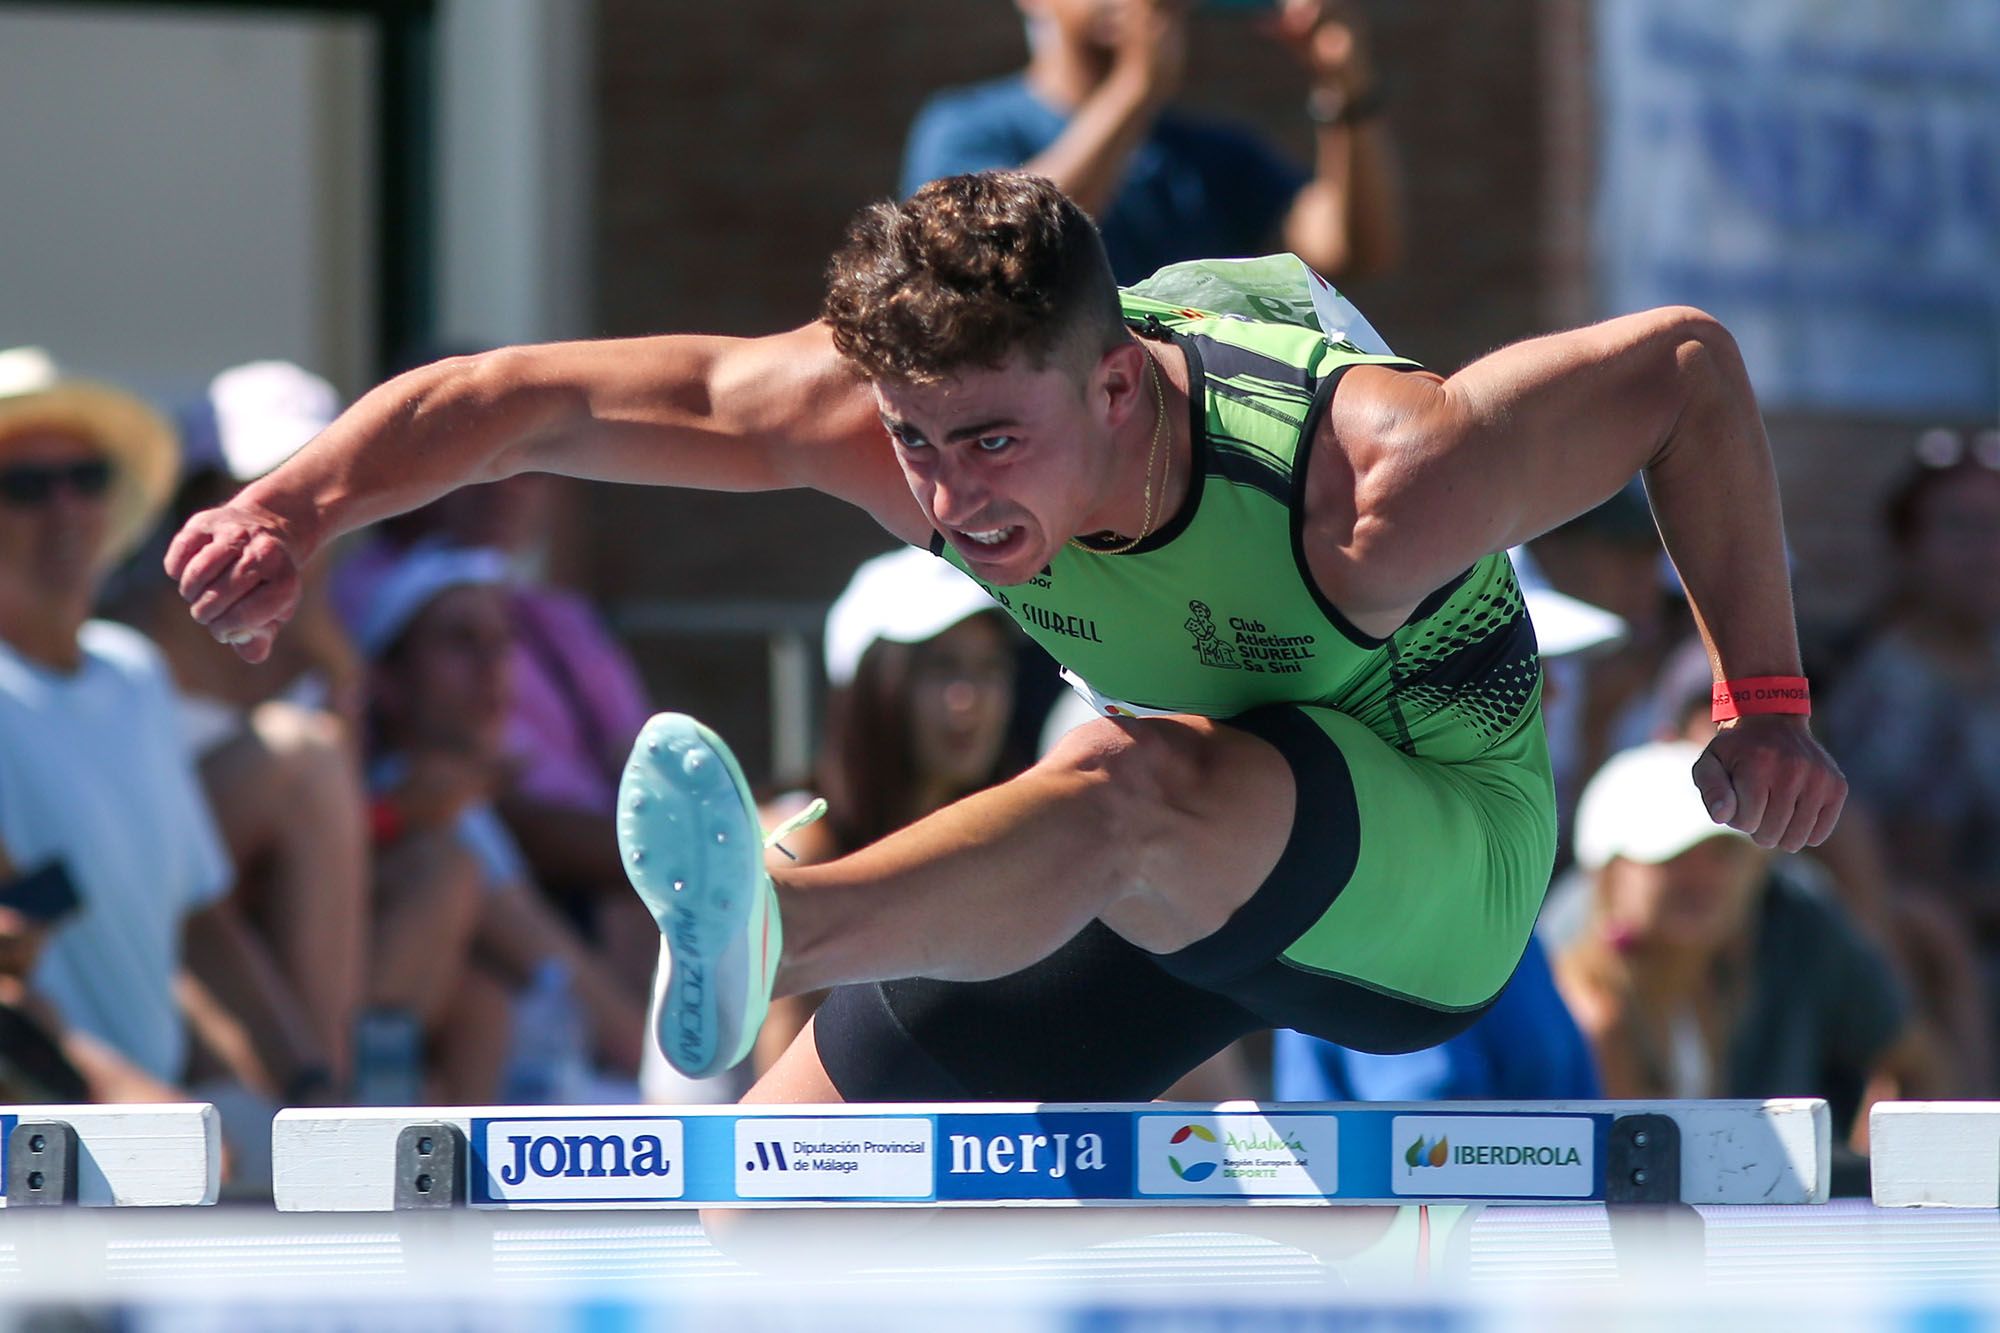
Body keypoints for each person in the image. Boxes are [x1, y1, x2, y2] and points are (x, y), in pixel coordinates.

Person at [167, 171, 1847, 1107]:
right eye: (914, 442)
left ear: (1119, 382)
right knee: (782, 1195)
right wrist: (300, 507)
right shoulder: (886, 420)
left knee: (1129, 773)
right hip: (1164, 865)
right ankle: (782, 957)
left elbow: (1683, 368)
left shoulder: (1373, 478)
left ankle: (785, 920)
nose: (951, 499)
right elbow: (527, 400)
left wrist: (1762, 697)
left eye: (990, 444)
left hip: (1433, 858)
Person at [0, 347, 326, 1103]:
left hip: (156, 1128)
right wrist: (139, 1108)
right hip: (52, 1143)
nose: (66, 509)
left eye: (87, 479)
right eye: (23, 486)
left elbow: (200, 926)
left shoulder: (135, 672)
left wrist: (307, 1084)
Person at [1270, 572, 1622, 1103]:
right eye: (1521, 663)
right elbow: (1426, 1137)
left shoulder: (1475, 881)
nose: (1556, 692)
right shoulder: (1400, 880)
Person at [1552, 739, 1921, 1191]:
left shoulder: (1710, 992)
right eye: (1670, 855)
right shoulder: (1595, 1015)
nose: (1702, 877)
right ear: (1607, 874)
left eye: (1723, 854)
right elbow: (1639, 1190)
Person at [752, 545, 1024, 1074]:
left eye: (989, 668)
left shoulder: (1012, 847)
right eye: (941, 669)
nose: (970, 699)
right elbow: (778, 1130)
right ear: (867, 686)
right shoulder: (796, 853)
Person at [903, 0, 1401, 285]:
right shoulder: (966, 124)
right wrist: (1137, 86)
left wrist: (1347, 90)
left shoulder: (1213, 155)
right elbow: (985, 255)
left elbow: (1350, 251)